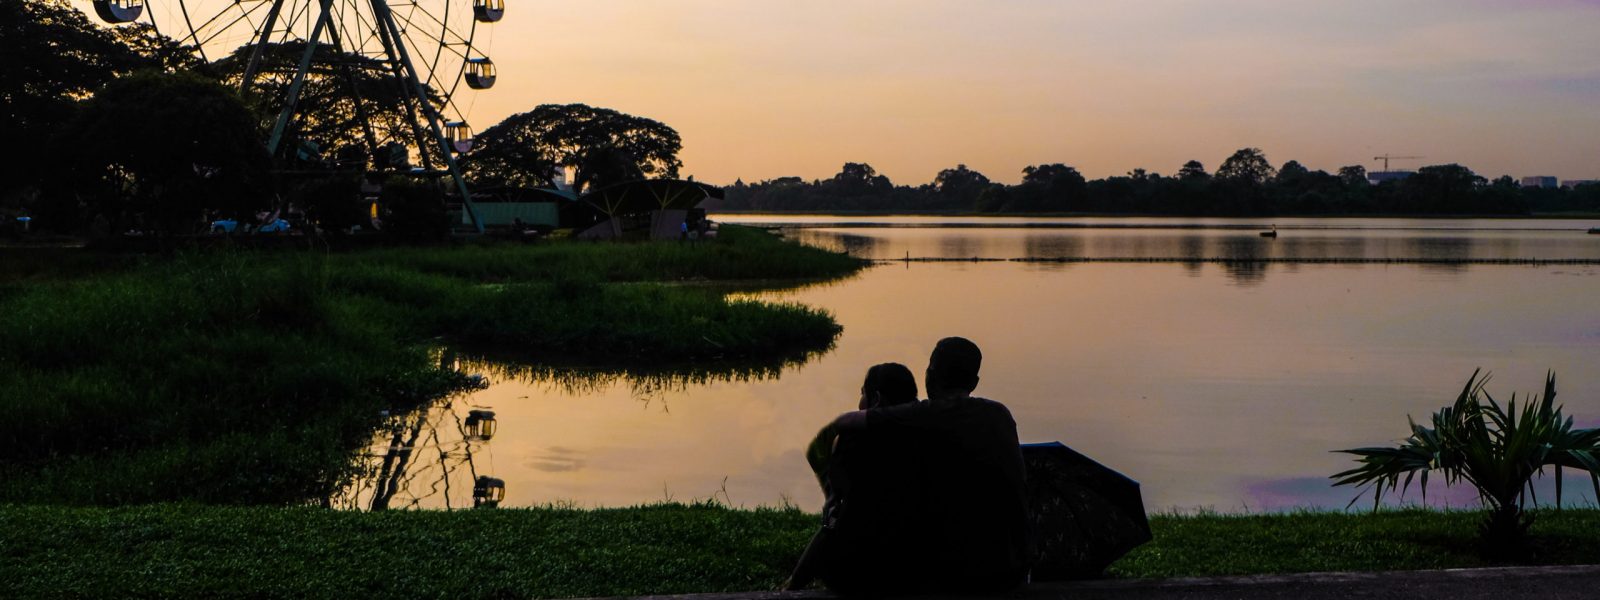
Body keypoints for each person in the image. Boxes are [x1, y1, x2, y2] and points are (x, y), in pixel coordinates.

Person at [790, 338, 1031, 595]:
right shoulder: (1000, 416)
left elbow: (847, 422)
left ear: (930, 375)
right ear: (974, 383)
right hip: (1009, 571)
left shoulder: (921, 417)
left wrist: (831, 483)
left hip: (951, 576)